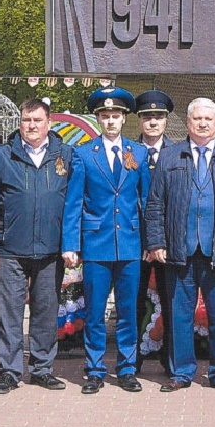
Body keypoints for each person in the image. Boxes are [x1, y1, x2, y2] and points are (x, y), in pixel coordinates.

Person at [142, 96, 215, 393]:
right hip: (179, 252)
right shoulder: (171, 157)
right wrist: (156, 241)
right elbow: (154, 205)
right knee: (180, 315)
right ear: (189, 121)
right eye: (197, 119)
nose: (203, 123)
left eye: (209, 119)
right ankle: (182, 372)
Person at [0, 98, 73, 394]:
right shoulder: (2, 156)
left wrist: (71, 245)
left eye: (37, 120)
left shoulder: (65, 156)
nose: (31, 126)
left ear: (48, 123)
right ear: (20, 123)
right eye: (26, 120)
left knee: (45, 311)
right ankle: (9, 371)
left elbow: (75, 204)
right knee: (9, 314)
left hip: (50, 251)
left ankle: (42, 369)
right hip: (10, 251)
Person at [62, 87, 150, 393]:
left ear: (124, 119)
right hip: (97, 242)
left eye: (115, 116)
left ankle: (126, 367)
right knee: (95, 311)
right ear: (98, 119)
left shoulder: (138, 153)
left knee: (127, 310)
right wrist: (71, 245)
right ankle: (95, 369)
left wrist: (151, 243)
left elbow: (147, 201)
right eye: (105, 116)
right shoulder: (84, 154)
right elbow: (74, 202)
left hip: (129, 243)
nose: (110, 121)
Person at [132, 89, 176, 366]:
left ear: (166, 121)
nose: (152, 122)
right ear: (139, 120)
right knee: (132, 306)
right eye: (147, 117)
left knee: (171, 304)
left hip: (168, 244)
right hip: (134, 242)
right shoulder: (128, 152)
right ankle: (130, 361)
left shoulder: (178, 154)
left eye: (158, 117)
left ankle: (170, 361)